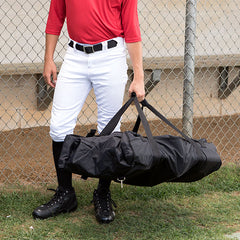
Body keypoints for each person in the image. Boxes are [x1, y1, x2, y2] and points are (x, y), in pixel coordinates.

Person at [32, 0, 145, 223]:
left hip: (110, 56)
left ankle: (102, 193)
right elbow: (56, 17)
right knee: (59, 127)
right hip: (75, 56)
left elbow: (131, 27)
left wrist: (139, 76)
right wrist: (48, 58)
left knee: (109, 128)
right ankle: (65, 193)